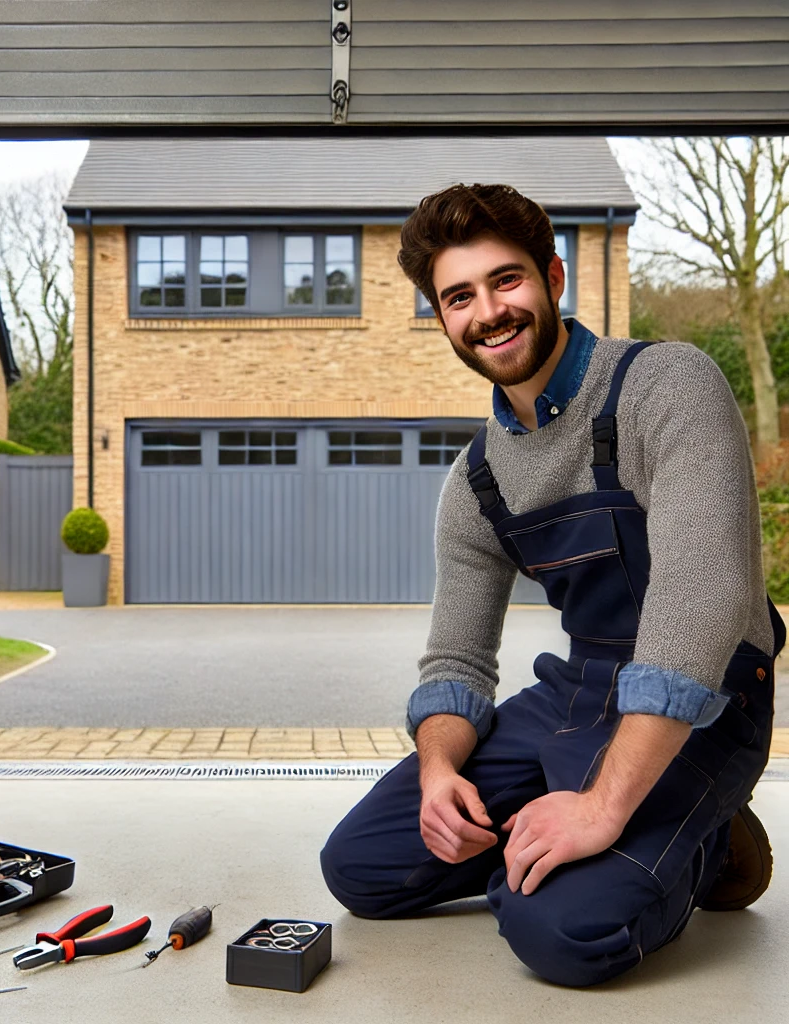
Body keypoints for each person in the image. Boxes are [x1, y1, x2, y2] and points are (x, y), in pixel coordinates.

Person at [320, 183, 783, 987]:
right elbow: (457, 663)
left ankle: (700, 842)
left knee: (564, 931)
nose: (488, 311)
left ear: (553, 279)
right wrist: (438, 774)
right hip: (579, 693)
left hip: (710, 699)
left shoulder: (667, 387)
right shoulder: (477, 482)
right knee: (362, 869)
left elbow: (700, 609)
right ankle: (627, 823)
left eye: (506, 280)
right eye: (459, 296)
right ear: (442, 318)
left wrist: (602, 810)